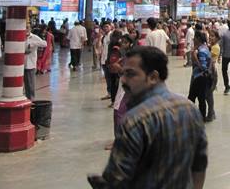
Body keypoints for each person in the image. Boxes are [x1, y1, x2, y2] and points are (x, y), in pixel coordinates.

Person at [89, 46, 208, 189]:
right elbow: (199, 164)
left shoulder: (135, 121)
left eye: (130, 74)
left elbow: (115, 180)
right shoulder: (190, 108)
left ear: (153, 77)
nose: (123, 80)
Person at [188, 31, 212, 122]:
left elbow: (203, 67)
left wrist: (194, 57)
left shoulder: (201, 51)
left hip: (200, 77)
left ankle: (195, 117)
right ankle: (201, 117)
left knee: (192, 97)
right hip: (203, 77)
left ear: (198, 39)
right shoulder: (205, 48)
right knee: (199, 97)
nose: (193, 39)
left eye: (195, 38)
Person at [24, 25, 47, 100]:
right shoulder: (19, 37)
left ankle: (31, 100)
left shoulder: (34, 37)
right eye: (25, 28)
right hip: (20, 65)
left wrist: (33, 44)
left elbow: (44, 44)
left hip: (30, 64)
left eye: (28, 27)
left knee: (30, 84)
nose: (26, 29)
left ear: (30, 29)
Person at [206, 31, 220, 121]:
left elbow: (208, 56)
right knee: (208, 94)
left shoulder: (215, 48)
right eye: (210, 36)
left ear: (217, 38)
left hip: (213, 72)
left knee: (209, 94)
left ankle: (211, 114)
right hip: (210, 70)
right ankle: (212, 112)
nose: (211, 38)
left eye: (213, 36)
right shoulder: (211, 46)